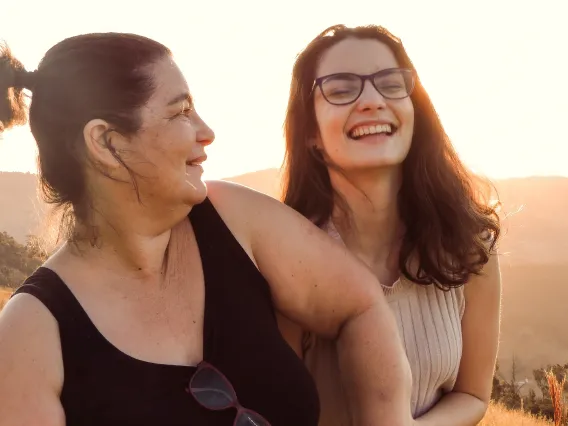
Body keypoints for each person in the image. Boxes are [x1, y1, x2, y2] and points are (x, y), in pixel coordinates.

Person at [0, 33, 414, 426]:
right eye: (180, 111)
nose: (206, 132)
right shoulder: (29, 332)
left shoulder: (233, 216)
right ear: (107, 143)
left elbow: (361, 307)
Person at [279, 24, 502, 426]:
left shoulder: (469, 247)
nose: (372, 101)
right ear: (311, 131)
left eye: (390, 84)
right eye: (342, 88)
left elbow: (472, 394)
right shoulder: (285, 261)